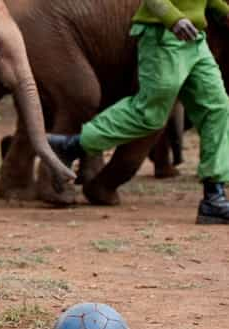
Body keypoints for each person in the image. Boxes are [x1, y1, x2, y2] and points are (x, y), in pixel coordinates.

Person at [48, 0, 229, 224]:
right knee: (149, 114)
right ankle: (73, 145)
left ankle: (214, 197)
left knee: (217, 108)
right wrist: (173, 18)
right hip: (164, 36)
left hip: (196, 40)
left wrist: (223, 11)